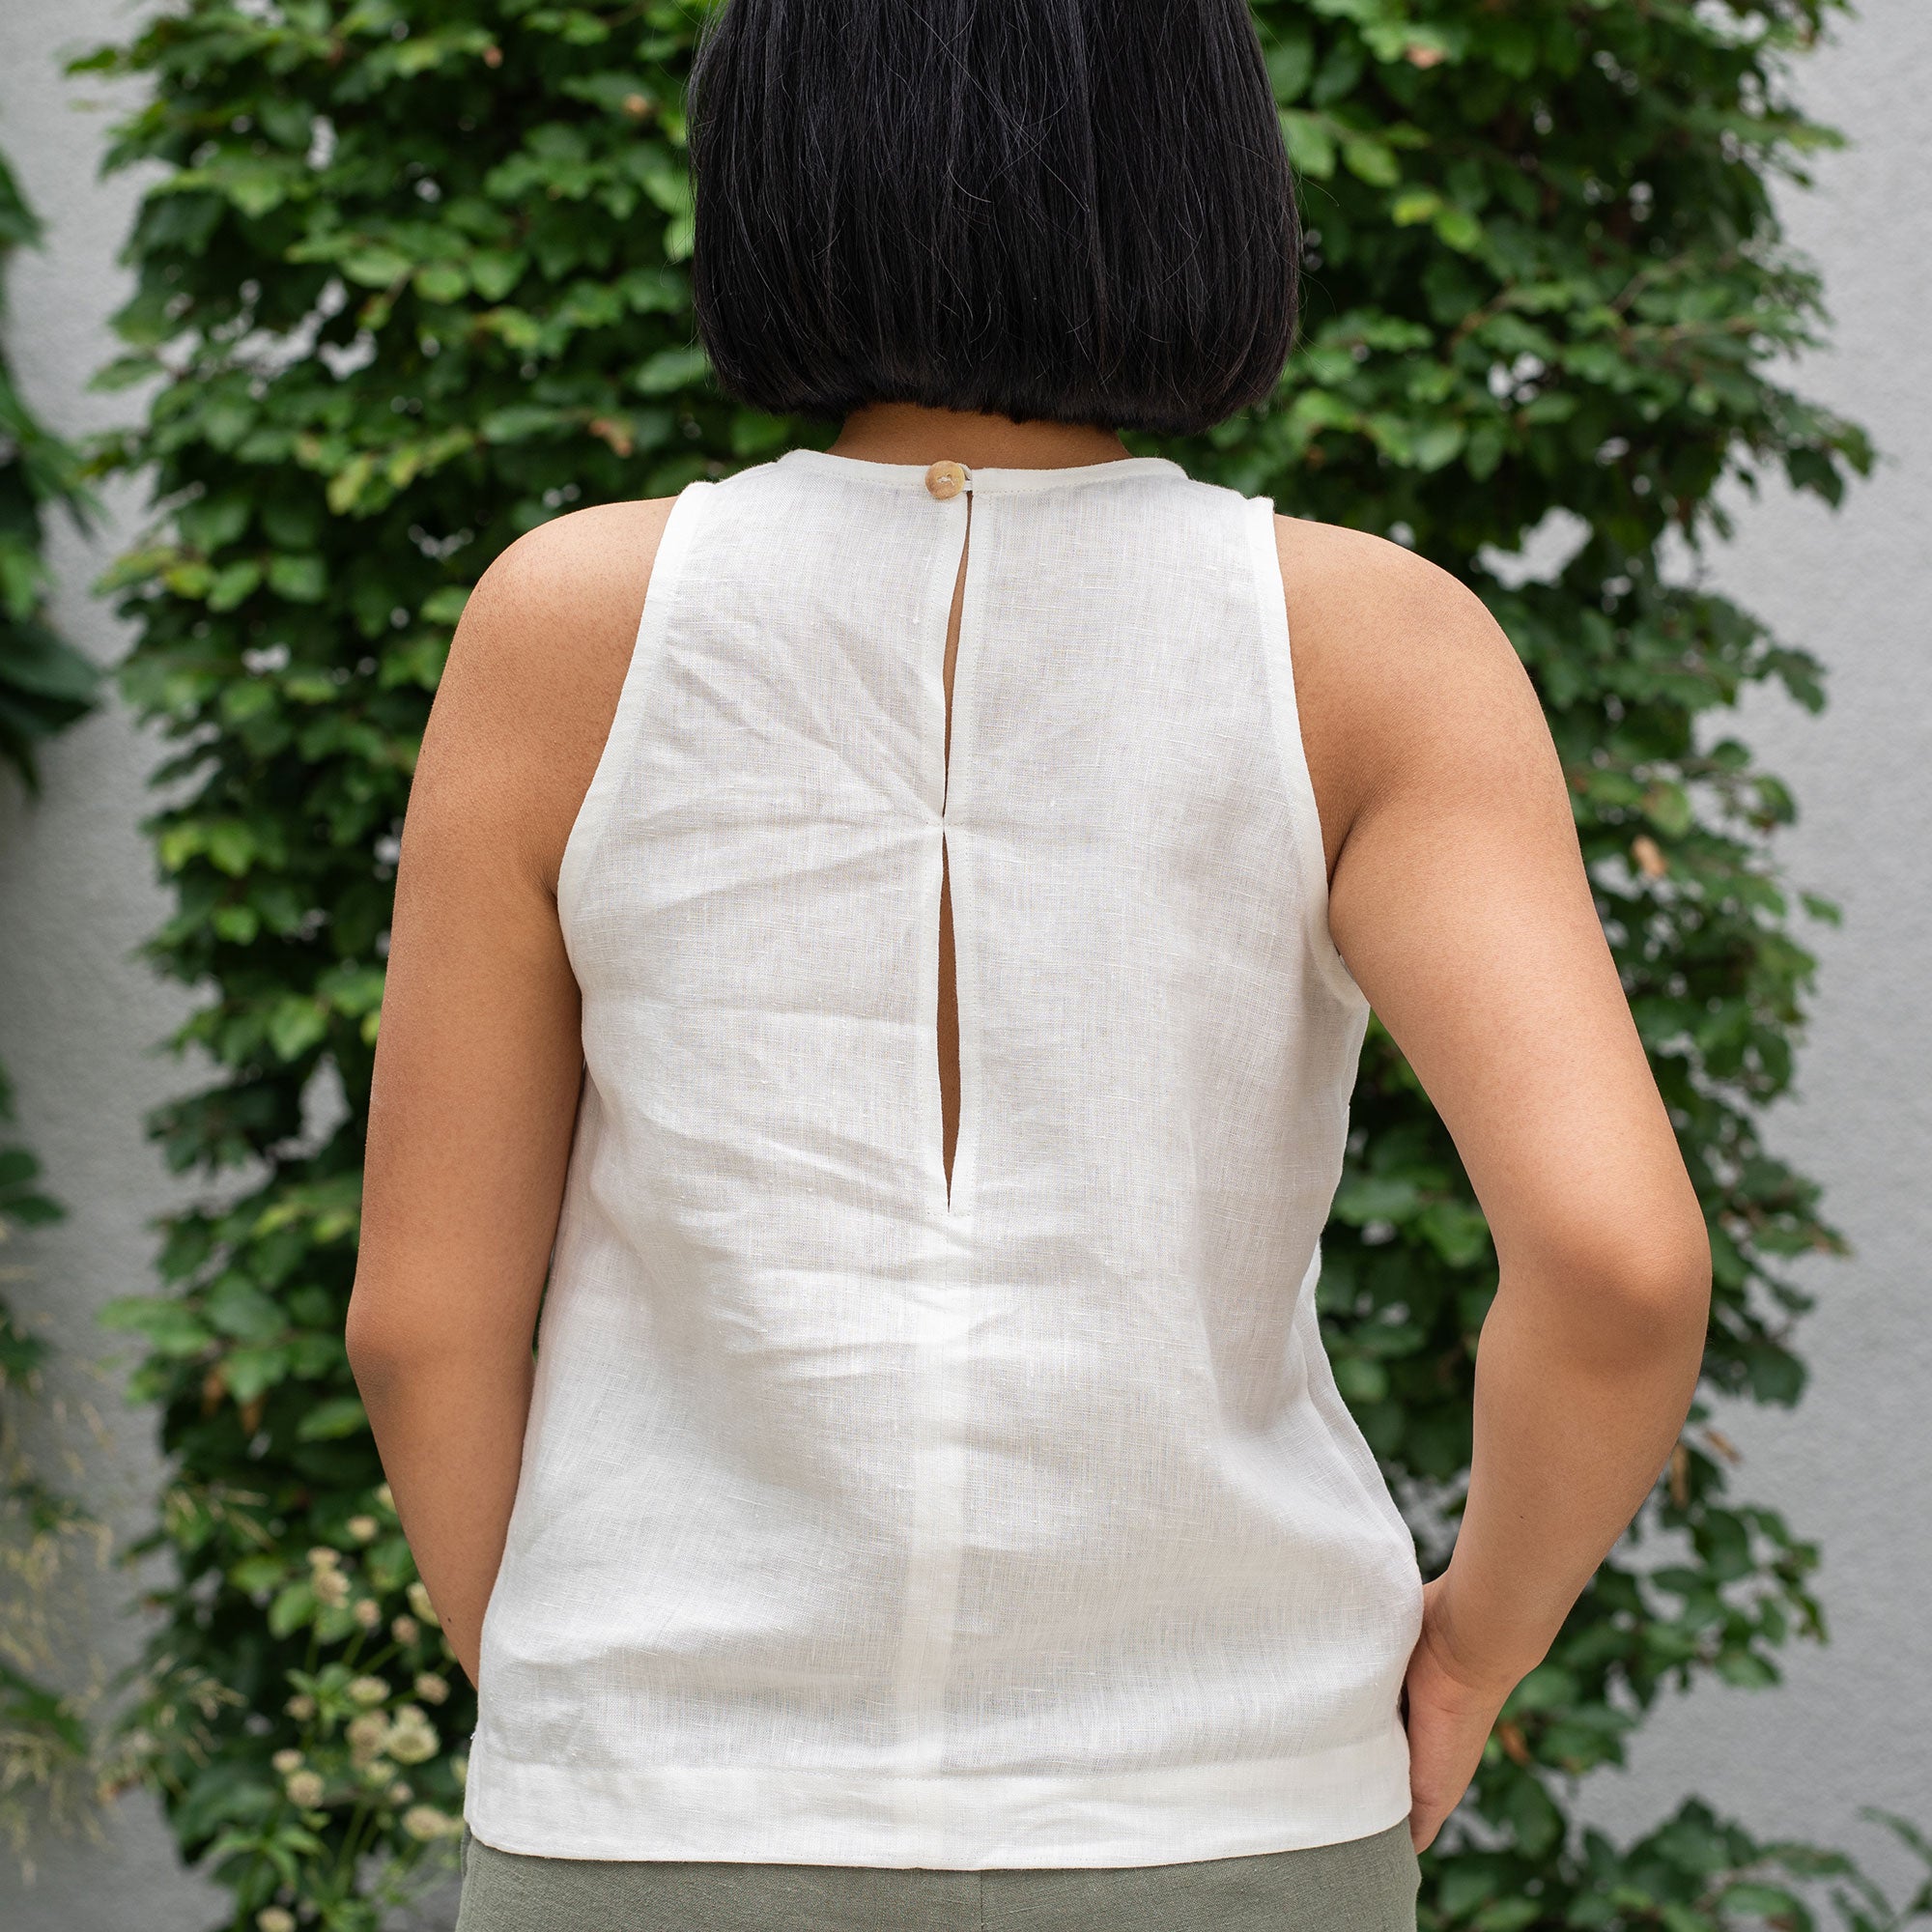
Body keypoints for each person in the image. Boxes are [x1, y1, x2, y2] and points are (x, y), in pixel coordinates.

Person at [345, 1, 1714, 1926]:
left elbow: (420, 1323)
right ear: (1202, 167)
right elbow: (1620, 1268)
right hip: (1223, 1804)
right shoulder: (1376, 647)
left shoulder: (562, 625)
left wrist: (599, 1723)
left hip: (656, 1816)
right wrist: (1471, 1654)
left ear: (767, 158)